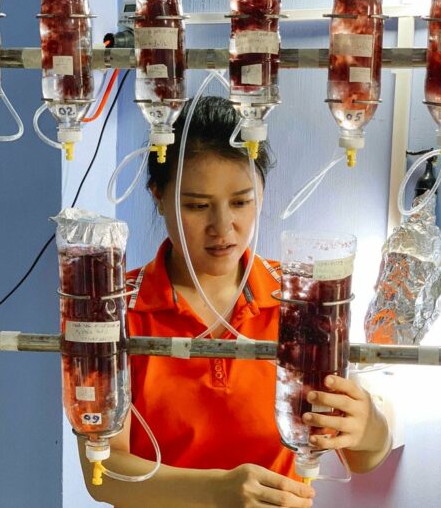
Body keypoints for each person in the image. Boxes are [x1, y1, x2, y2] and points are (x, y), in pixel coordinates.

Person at [78, 96, 392, 507]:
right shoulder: (112, 312)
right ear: (157, 195)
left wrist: (370, 428)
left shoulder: (302, 303)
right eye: (197, 206)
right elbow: (103, 473)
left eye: (241, 202)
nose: (223, 227)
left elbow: (364, 456)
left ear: (261, 190)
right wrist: (215, 493)